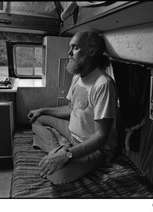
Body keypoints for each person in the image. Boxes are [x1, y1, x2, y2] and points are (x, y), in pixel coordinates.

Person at [27, 30, 119, 184]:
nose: (69, 52)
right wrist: (42, 110)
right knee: (37, 118)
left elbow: (101, 137)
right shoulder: (77, 77)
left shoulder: (103, 85)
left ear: (91, 51)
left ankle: (59, 152)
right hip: (72, 135)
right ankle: (60, 148)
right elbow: (71, 109)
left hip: (97, 149)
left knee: (55, 175)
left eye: (74, 47)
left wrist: (67, 154)